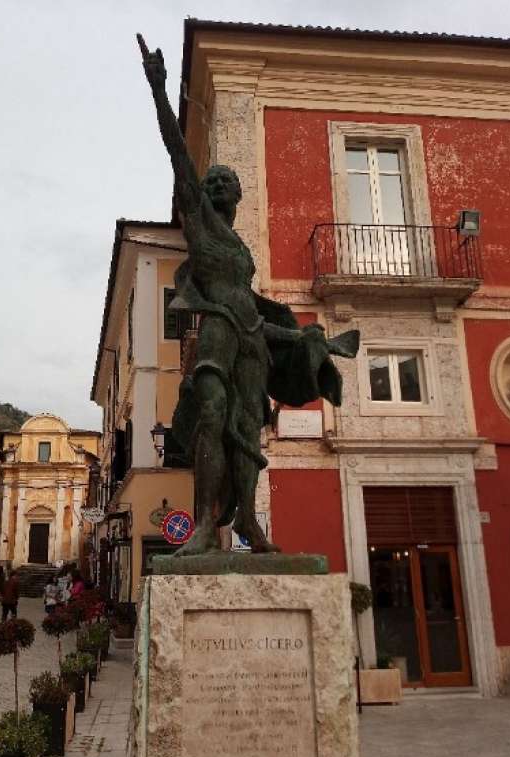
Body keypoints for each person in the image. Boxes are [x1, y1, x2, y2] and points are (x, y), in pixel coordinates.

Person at [137, 35, 358, 556]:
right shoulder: (200, 223)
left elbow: (254, 313)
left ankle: (250, 529)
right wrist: (158, 87)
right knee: (212, 414)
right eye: (209, 181)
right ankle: (202, 526)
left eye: (222, 182)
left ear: (237, 195)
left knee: (247, 430)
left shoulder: (240, 252)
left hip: (251, 338)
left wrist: (304, 337)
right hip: (216, 329)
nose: (213, 186)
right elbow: (175, 150)